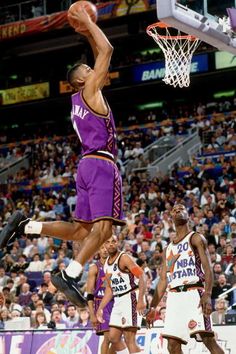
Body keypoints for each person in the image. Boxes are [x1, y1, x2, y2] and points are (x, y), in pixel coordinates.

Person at [0, 6, 125, 307]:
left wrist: (86, 33)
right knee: (103, 229)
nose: (93, 70)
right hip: (101, 164)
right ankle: (69, 275)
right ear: (82, 81)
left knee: (81, 231)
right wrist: (87, 24)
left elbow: (98, 52)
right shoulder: (91, 92)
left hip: (85, 165)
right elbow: (107, 49)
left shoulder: (80, 98)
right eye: (87, 70)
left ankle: (26, 225)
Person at [146, 204, 224, 354]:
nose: (177, 211)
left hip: (194, 292)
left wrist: (207, 294)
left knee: (208, 339)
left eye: (182, 209)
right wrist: (153, 307)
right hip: (174, 297)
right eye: (174, 210)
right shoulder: (168, 249)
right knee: (172, 346)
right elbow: (163, 281)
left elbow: (208, 269)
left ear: (188, 216)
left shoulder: (195, 238)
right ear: (171, 218)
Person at [96, 235, 146, 354]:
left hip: (131, 296)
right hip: (119, 299)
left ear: (117, 243)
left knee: (129, 339)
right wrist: (100, 308)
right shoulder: (106, 265)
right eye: (108, 242)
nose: (111, 244)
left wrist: (140, 301)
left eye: (113, 241)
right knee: (113, 337)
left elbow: (141, 276)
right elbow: (109, 289)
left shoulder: (124, 258)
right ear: (104, 245)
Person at [86, 244, 116, 354]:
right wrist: (92, 314)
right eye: (102, 248)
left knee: (116, 339)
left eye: (106, 248)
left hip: (116, 302)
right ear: (98, 250)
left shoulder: (116, 265)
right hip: (102, 305)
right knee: (108, 337)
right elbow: (89, 293)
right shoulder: (94, 267)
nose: (105, 250)